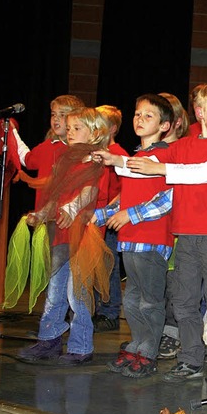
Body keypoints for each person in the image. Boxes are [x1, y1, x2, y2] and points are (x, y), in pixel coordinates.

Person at [98, 78, 207, 388]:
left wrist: (163, 170)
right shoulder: (184, 144)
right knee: (185, 303)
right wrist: (116, 161)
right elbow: (148, 161)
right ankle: (190, 359)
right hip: (185, 236)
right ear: (200, 111)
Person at [16, 107, 113, 366]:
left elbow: (90, 192)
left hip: (83, 236)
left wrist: (72, 207)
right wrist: (42, 213)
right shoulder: (65, 160)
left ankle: (81, 346)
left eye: (76, 128)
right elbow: (55, 195)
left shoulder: (97, 160)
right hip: (61, 232)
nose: (70, 132)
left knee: (77, 292)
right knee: (55, 290)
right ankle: (49, 339)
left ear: (94, 133)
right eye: (68, 128)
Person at [94, 94, 175, 379]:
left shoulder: (166, 157)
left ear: (165, 126)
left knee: (150, 300)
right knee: (131, 301)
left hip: (152, 240)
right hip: (130, 240)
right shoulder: (134, 157)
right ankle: (137, 346)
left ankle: (149, 352)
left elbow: (168, 199)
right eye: (137, 114)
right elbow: (124, 198)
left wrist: (132, 215)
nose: (140, 119)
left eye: (148, 116)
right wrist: (99, 216)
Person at [156, 92, 191, 360]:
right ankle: (152, 334)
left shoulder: (184, 150)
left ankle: (172, 334)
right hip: (153, 228)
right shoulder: (150, 151)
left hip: (178, 228)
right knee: (154, 285)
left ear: (175, 121)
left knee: (175, 286)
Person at [11, 95, 85, 209]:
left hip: (66, 219)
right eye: (53, 114)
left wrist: (27, 179)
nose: (56, 119)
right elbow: (27, 159)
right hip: (43, 216)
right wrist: (12, 133)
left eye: (62, 115)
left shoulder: (80, 151)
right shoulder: (49, 145)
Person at [92, 105, 129, 333]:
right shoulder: (96, 152)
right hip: (96, 218)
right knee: (96, 265)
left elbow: (126, 189)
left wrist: (108, 209)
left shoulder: (118, 153)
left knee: (109, 266)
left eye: (100, 123)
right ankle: (97, 308)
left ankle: (110, 312)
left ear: (112, 128)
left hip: (111, 219)